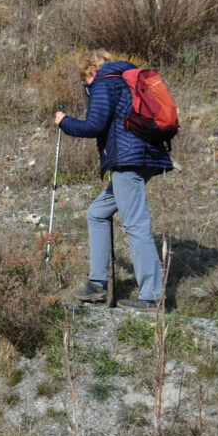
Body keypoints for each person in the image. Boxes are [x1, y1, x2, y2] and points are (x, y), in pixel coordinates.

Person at [54, 49, 173, 311]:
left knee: (135, 225)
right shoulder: (124, 78)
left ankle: (152, 296)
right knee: (97, 212)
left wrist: (65, 122)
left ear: (90, 71)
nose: (85, 85)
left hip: (127, 160)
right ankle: (98, 284)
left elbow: (94, 126)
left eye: (84, 80)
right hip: (145, 156)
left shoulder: (103, 82)